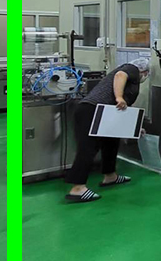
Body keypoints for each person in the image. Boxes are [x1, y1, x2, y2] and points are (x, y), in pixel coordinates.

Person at [64, 58, 150, 203]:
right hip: (90, 110)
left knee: (111, 142)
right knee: (88, 148)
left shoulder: (131, 82)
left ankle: (110, 176)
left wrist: (134, 128)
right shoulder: (132, 69)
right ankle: (78, 188)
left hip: (102, 113)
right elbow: (120, 75)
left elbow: (121, 109)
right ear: (144, 72)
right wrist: (119, 97)